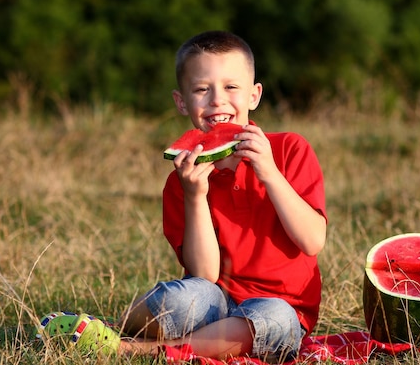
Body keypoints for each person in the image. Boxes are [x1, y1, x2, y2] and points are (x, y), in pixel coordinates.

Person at [115, 30, 328, 361]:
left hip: (282, 312)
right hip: (213, 302)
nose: (217, 100)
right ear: (181, 101)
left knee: (274, 318)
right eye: (202, 89)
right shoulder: (181, 181)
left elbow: (312, 241)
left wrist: (269, 172)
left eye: (231, 87)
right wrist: (195, 196)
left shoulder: (290, 149)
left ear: (254, 95)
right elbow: (205, 275)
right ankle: (113, 327)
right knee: (178, 299)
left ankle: (141, 350)